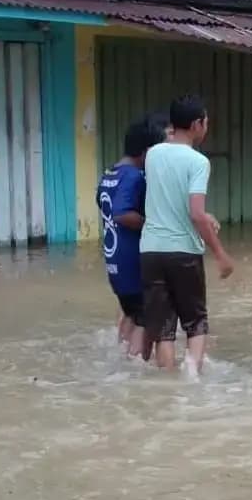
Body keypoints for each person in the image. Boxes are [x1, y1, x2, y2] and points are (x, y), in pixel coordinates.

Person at [140, 95, 234, 373]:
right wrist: (220, 254)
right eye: (206, 122)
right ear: (196, 124)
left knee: (164, 328)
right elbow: (195, 212)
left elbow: (167, 199)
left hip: (150, 251)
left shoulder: (153, 154)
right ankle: (192, 382)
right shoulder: (198, 162)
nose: (207, 127)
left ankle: (168, 387)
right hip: (183, 252)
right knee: (195, 323)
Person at [96, 116, 167, 360]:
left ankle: (121, 353)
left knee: (131, 313)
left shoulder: (109, 174)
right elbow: (122, 213)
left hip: (114, 262)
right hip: (132, 263)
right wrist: (154, 225)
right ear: (147, 152)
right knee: (145, 319)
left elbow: (104, 205)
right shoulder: (134, 176)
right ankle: (135, 366)